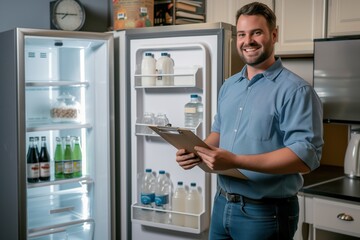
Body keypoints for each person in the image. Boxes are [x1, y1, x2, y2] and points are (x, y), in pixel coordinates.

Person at [175, 2, 323, 240]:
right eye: (242, 34)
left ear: (274, 35)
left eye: (257, 32)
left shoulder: (296, 91)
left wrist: (235, 160)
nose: (248, 41)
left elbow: (306, 156)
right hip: (222, 203)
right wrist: (195, 150)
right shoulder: (230, 85)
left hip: (266, 212)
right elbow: (219, 133)